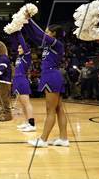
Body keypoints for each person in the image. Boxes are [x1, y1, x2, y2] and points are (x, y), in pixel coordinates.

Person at [22, 19, 69, 148]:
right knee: (59, 109)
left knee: (50, 110)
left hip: (51, 76)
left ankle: (43, 140)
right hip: (50, 75)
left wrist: (30, 20)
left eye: (48, 31)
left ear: (53, 34)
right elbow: (34, 36)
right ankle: (64, 139)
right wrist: (23, 24)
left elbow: (40, 34)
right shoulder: (48, 45)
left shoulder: (57, 44)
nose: (45, 33)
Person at [10, 31, 35, 132]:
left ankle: (32, 124)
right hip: (17, 79)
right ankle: (27, 122)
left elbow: (23, 43)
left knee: (27, 103)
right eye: (18, 47)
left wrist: (19, 32)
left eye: (20, 48)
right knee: (22, 103)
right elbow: (15, 43)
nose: (18, 49)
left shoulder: (27, 56)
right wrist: (14, 34)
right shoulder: (19, 57)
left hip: (22, 80)